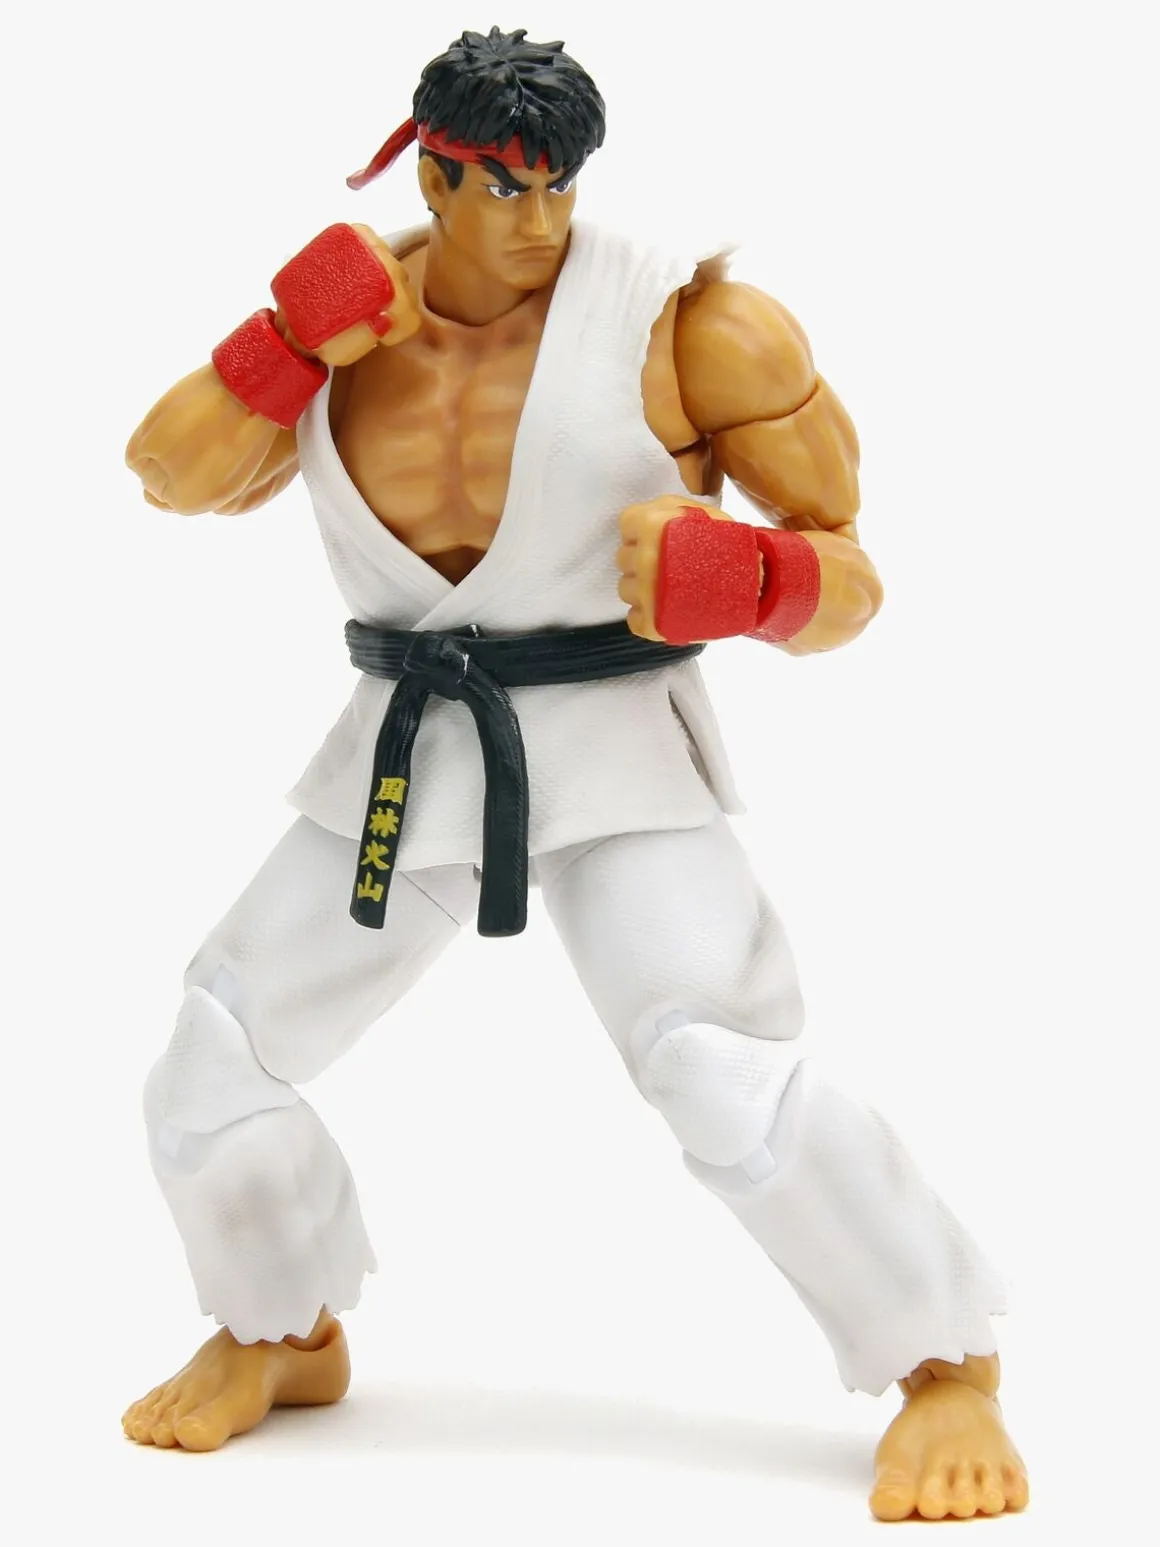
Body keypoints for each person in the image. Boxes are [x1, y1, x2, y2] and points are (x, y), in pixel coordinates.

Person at [122, 26, 1028, 1523]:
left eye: (559, 184)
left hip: (617, 747)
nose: (539, 220)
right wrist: (281, 341)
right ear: (431, 171)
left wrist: (754, 581)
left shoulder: (695, 329)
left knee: (718, 1064)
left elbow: (853, 579)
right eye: (502, 186)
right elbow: (170, 473)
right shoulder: (345, 316)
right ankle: (279, 1325)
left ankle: (944, 1361)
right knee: (213, 1053)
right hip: (409, 743)